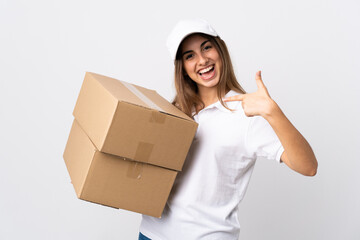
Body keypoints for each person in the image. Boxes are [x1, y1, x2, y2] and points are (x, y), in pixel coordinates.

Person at [138, 19, 318, 240]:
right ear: (182, 68)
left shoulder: (247, 113)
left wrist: (273, 112)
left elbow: (308, 167)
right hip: (152, 233)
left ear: (220, 49)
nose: (202, 60)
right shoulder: (175, 111)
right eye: (189, 55)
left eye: (207, 47)